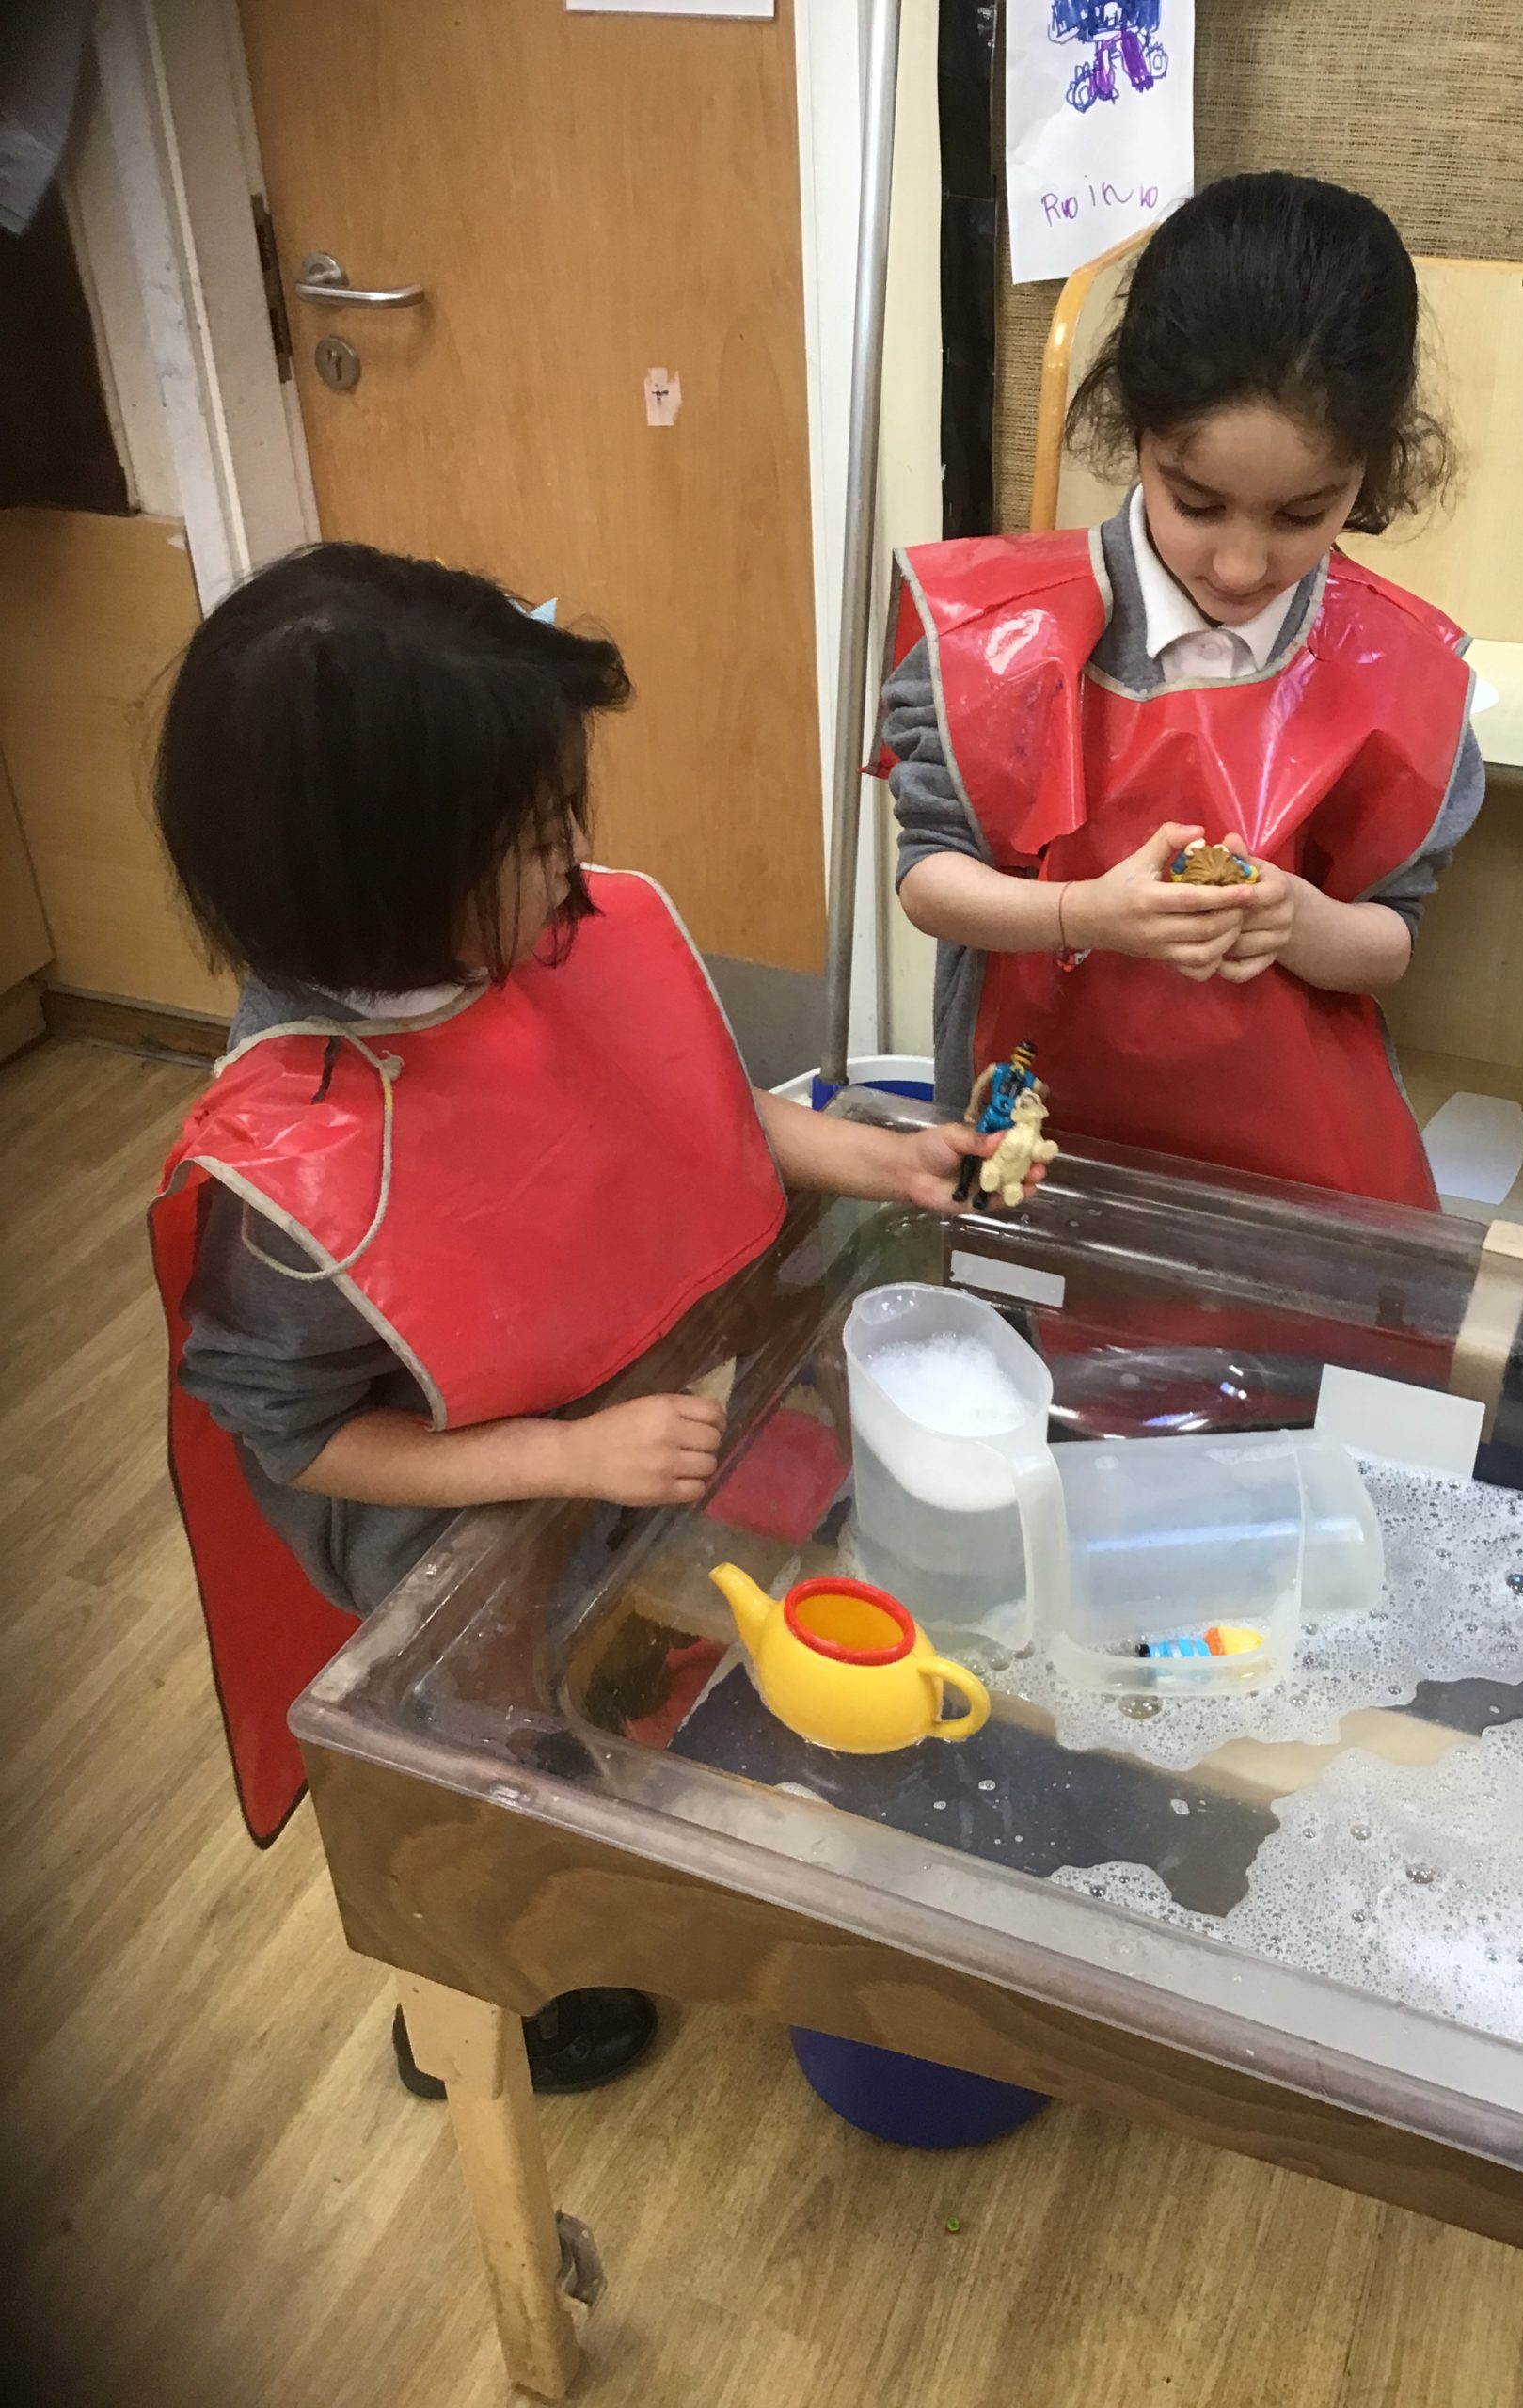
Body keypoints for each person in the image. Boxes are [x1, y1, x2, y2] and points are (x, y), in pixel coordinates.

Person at [148, 545, 1039, 2098]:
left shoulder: (539, 942)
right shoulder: (298, 1171)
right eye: (534, 835)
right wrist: (565, 1455)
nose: (578, 860)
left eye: (568, 809)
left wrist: (874, 1154)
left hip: (614, 1435)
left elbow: (694, 1106)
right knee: (497, 1764)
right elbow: (299, 1443)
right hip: (457, 1534)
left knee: (622, 1658)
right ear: (381, 882)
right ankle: (485, 2002)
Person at [882, 170, 1483, 1210]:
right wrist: (1086, 913)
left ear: (1369, 474)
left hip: (1284, 1154)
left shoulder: (1404, 672)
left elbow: (1391, 939)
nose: (1241, 566)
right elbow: (930, 879)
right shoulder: (992, 639)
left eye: (1302, 515)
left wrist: (1298, 920)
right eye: (1196, 503)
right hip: (1048, 1124)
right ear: (1137, 433)